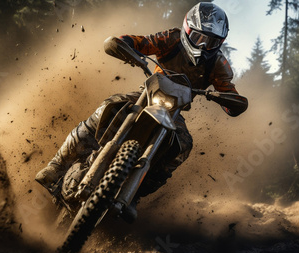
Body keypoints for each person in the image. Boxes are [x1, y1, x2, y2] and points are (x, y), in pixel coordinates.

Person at [35, 3, 248, 220]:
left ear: (219, 42)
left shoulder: (219, 64)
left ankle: (134, 193)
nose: (203, 45)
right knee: (107, 107)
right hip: (146, 95)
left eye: (210, 41)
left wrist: (231, 101)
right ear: (187, 29)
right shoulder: (171, 38)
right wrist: (125, 46)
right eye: (198, 37)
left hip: (174, 111)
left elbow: (228, 90)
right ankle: (57, 165)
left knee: (183, 146)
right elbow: (142, 42)